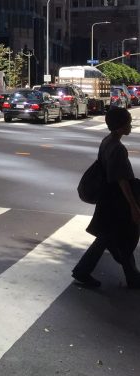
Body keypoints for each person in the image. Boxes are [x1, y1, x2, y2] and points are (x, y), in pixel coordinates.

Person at [72, 106, 140, 289]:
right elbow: (122, 180)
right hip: (116, 201)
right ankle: (83, 271)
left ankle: (131, 276)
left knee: (110, 238)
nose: (131, 125)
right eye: (128, 122)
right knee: (117, 238)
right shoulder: (118, 148)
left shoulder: (107, 141)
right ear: (120, 126)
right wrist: (134, 206)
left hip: (107, 198)